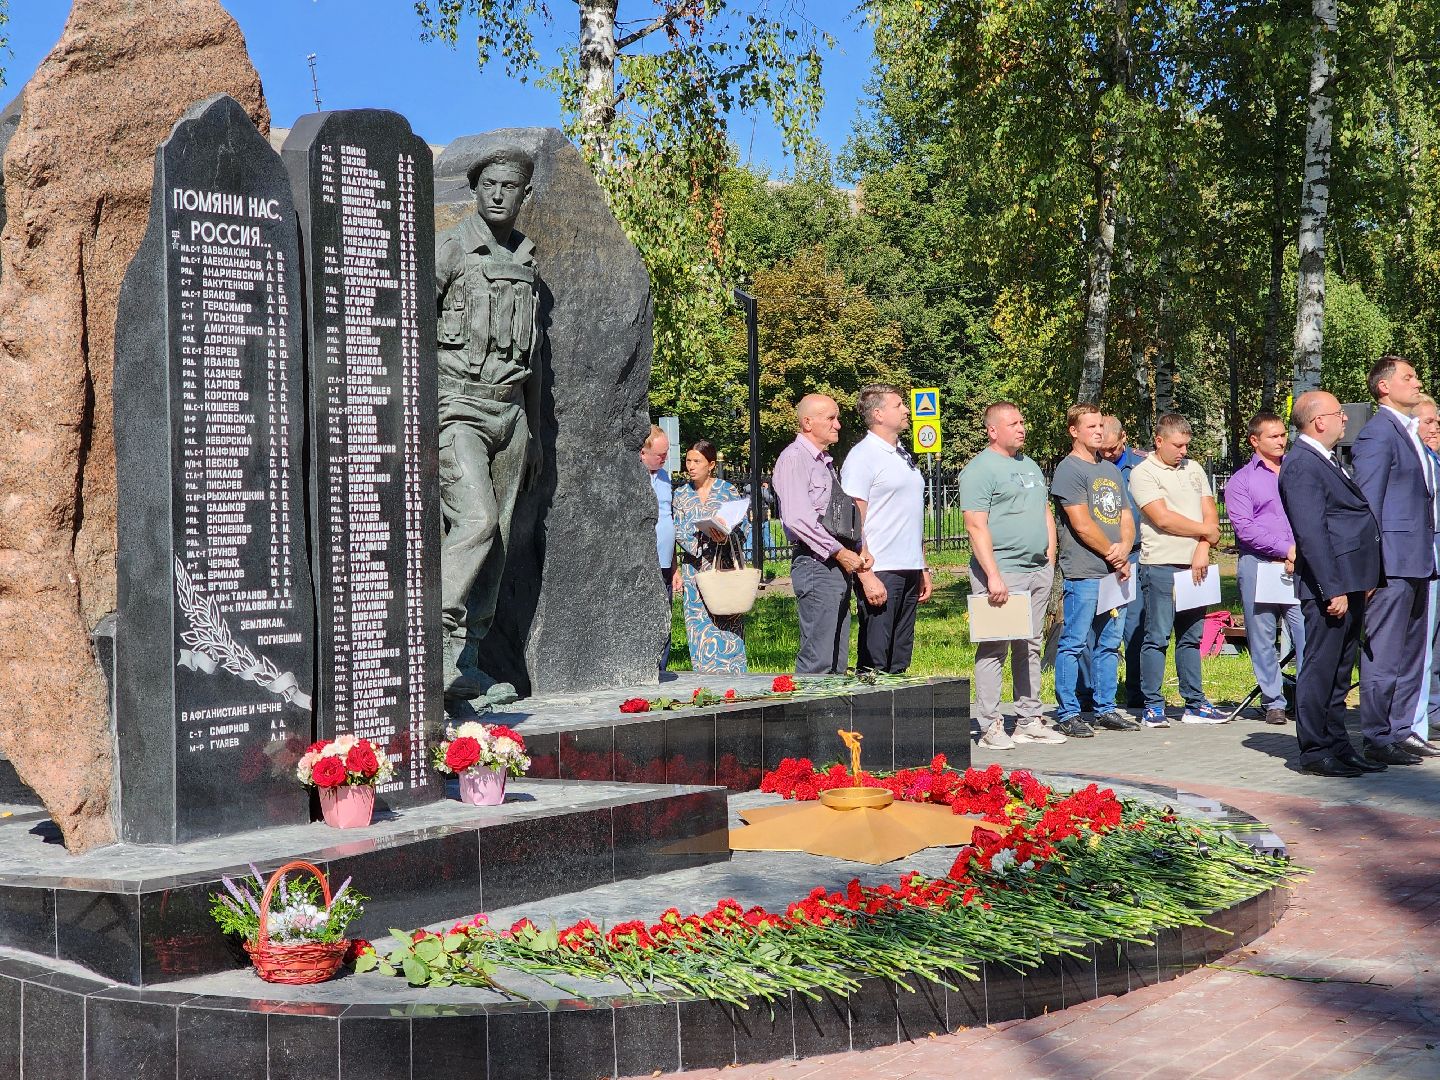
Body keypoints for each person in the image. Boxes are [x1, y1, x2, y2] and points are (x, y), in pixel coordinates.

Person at [436, 146, 544, 706]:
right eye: (489, 185)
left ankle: (466, 664)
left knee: (496, 541)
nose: (499, 194)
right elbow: (402, 328)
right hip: (456, 408)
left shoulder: (527, 261)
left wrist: (539, 437)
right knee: (475, 521)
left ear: (524, 195)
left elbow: (536, 361)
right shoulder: (450, 248)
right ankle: (426, 650)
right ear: (475, 191)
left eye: (510, 186)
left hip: (511, 414)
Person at [1277, 391, 1385, 777]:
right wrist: (1331, 588)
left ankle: (1338, 744)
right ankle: (1315, 749)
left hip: (1350, 581)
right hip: (1330, 585)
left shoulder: (1327, 459)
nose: (1345, 419)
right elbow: (1312, 533)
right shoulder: (1302, 464)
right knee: (1320, 668)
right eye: (1339, 414)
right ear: (1319, 421)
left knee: (1340, 670)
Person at [959, 402, 1065, 749]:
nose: (1021, 428)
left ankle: (1028, 719)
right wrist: (993, 574)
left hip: (1037, 570)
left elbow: (1044, 510)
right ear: (993, 430)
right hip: (1002, 572)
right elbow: (976, 525)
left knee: (1031, 645)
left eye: (1022, 421)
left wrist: (1049, 557)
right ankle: (990, 725)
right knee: (994, 649)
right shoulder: (980, 469)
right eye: (1013, 423)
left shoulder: (1029, 465)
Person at [1351, 356, 1438, 764]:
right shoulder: (1377, 435)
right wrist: (1372, 567)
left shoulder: (1409, 432)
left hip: (1419, 560)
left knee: (1412, 653)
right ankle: (1376, 733)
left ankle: (1401, 729)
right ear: (1384, 386)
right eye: (1408, 377)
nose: (1416, 381)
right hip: (1391, 564)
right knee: (1384, 653)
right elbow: (1369, 504)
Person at [1129, 413, 1227, 728]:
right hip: (1160, 564)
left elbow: (1210, 512)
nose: (1183, 451)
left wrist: (1203, 547)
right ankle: (1153, 705)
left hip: (1196, 565)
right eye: (1177, 445)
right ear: (1159, 441)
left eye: (1186, 445)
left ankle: (1194, 703)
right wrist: (1206, 533)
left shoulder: (1194, 468)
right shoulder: (1143, 473)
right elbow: (1163, 519)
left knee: (1192, 635)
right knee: (1157, 635)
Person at [1050, 403, 1139, 737]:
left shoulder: (1111, 469)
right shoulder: (1069, 470)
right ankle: (1069, 711)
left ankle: (1105, 708)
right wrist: (1114, 555)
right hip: (1085, 570)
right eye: (1091, 427)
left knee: (1109, 641)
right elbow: (1082, 524)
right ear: (1074, 431)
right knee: (1074, 641)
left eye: (1101, 426)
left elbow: (1126, 516)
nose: (1099, 432)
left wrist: (1125, 550)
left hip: (1114, 570)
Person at [773, 395, 869, 674]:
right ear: (807, 422)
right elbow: (797, 517)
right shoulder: (794, 459)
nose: (838, 425)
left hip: (835, 564)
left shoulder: (823, 462)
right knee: (818, 659)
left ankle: (833, 717)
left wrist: (857, 546)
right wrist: (839, 551)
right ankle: (809, 716)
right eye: (830, 418)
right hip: (816, 564)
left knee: (836, 658)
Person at [842, 385, 931, 673]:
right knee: (875, 657)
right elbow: (854, 520)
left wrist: (922, 565)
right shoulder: (863, 456)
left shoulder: (902, 454)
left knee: (899, 657)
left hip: (908, 565)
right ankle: (870, 717)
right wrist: (865, 574)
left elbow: (910, 513)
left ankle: (896, 717)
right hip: (880, 567)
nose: (907, 410)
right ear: (878, 414)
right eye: (899, 405)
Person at [1224, 412, 1305, 725]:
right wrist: (1286, 549)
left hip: (1299, 567)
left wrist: (1300, 552)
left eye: (1283, 434)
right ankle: (1274, 701)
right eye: (1273, 436)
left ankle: (1311, 697)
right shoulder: (1242, 481)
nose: (1281, 440)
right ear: (1254, 440)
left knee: (1306, 633)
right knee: (1262, 637)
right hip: (1259, 565)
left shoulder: (1297, 471)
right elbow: (1245, 529)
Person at [673, 440, 750, 673]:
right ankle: (705, 680)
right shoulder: (681, 494)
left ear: (711, 464)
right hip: (695, 570)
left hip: (724, 567)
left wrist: (725, 536)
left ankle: (734, 678)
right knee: (699, 627)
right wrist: (702, 537)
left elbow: (742, 525)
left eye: (697, 461)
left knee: (728, 623)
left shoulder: (727, 490)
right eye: (688, 461)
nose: (691, 466)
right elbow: (678, 528)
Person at [1100, 416, 1147, 709]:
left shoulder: (1142, 466)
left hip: (1135, 554)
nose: (1106, 454)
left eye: (1112, 449)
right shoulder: (1089, 466)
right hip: (1100, 554)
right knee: (1100, 626)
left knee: (1135, 624)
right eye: (1101, 449)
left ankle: (1136, 693)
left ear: (1124, 438)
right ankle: (1091, 694)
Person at [1412, 395, 1440, 750]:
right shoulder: (1413, 464)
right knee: (1424, 645)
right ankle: (1421, 718)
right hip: (1423, 559)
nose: (1435, 428)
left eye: (1437, 422)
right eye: (1428, 421)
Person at [640, 425, 676, 671]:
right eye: (659, 455)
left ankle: (661, 668)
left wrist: (675, 568)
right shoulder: (633, 476)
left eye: (666, 453)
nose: (664, 458)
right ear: (643, 452)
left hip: (665, 562)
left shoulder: (664, 477)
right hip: (643, 562)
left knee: (665, 617)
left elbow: (669, 518)